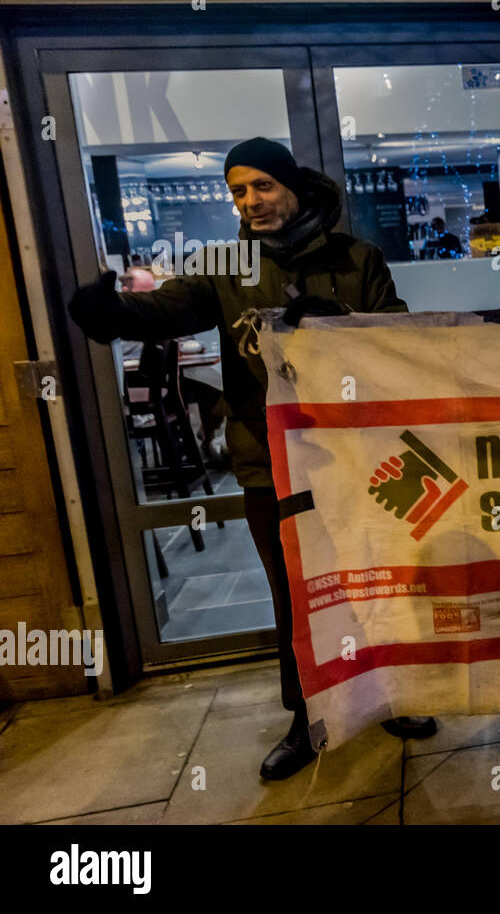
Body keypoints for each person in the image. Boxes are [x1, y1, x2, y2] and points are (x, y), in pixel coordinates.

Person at [68, 138, 439, 780]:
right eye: (239, 191)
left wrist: (342, 325)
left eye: (262, 186)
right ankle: (305, 716)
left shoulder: (358, 258)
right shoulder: (223, 264)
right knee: (293, 593)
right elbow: (166, 311)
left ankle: (389, 693)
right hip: (268, 459)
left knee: (371, 578)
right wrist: (114, 314)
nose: (250, 202)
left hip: (354, 457)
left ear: (291, 186)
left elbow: (396, 338)